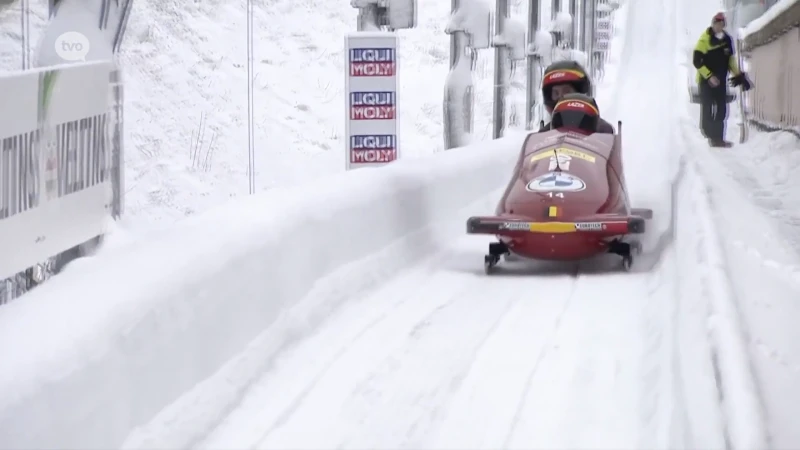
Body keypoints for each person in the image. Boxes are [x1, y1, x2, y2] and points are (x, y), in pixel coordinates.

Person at [693, 12, 752, 147]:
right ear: (713, 24)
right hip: (705, 81)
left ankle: (718, 138)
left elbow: (730, 60)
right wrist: (709, 76)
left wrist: (738, 75)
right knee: (708, 108)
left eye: (721, 24)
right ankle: (708, 134)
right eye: (717, 23)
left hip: (720, 80)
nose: (719, 26)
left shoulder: (727, 40)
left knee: (721, 109)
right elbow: (697, 62)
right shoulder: (704, 40)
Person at [537, 60, 615, 134]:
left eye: (567, 92)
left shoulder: (603, 131)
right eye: (556, 93)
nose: (561, 98)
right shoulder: (543, 136)